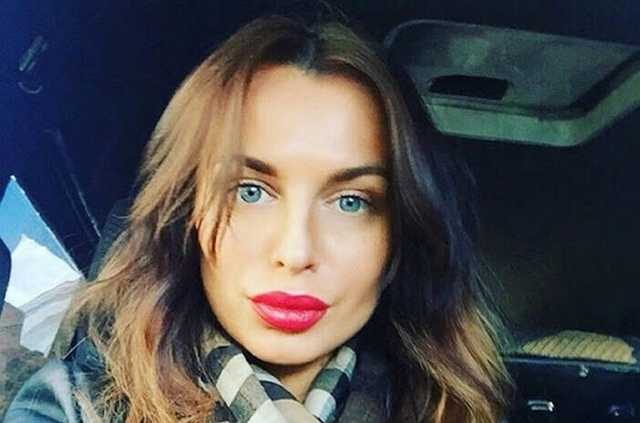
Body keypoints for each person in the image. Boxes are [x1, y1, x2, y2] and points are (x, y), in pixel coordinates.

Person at [4, 11, 513, 423]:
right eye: (250, 192)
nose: (295, 251)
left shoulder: (457, 411)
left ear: (399, 237)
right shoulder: (75, 406)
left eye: (351, 201)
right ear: (187, 214)